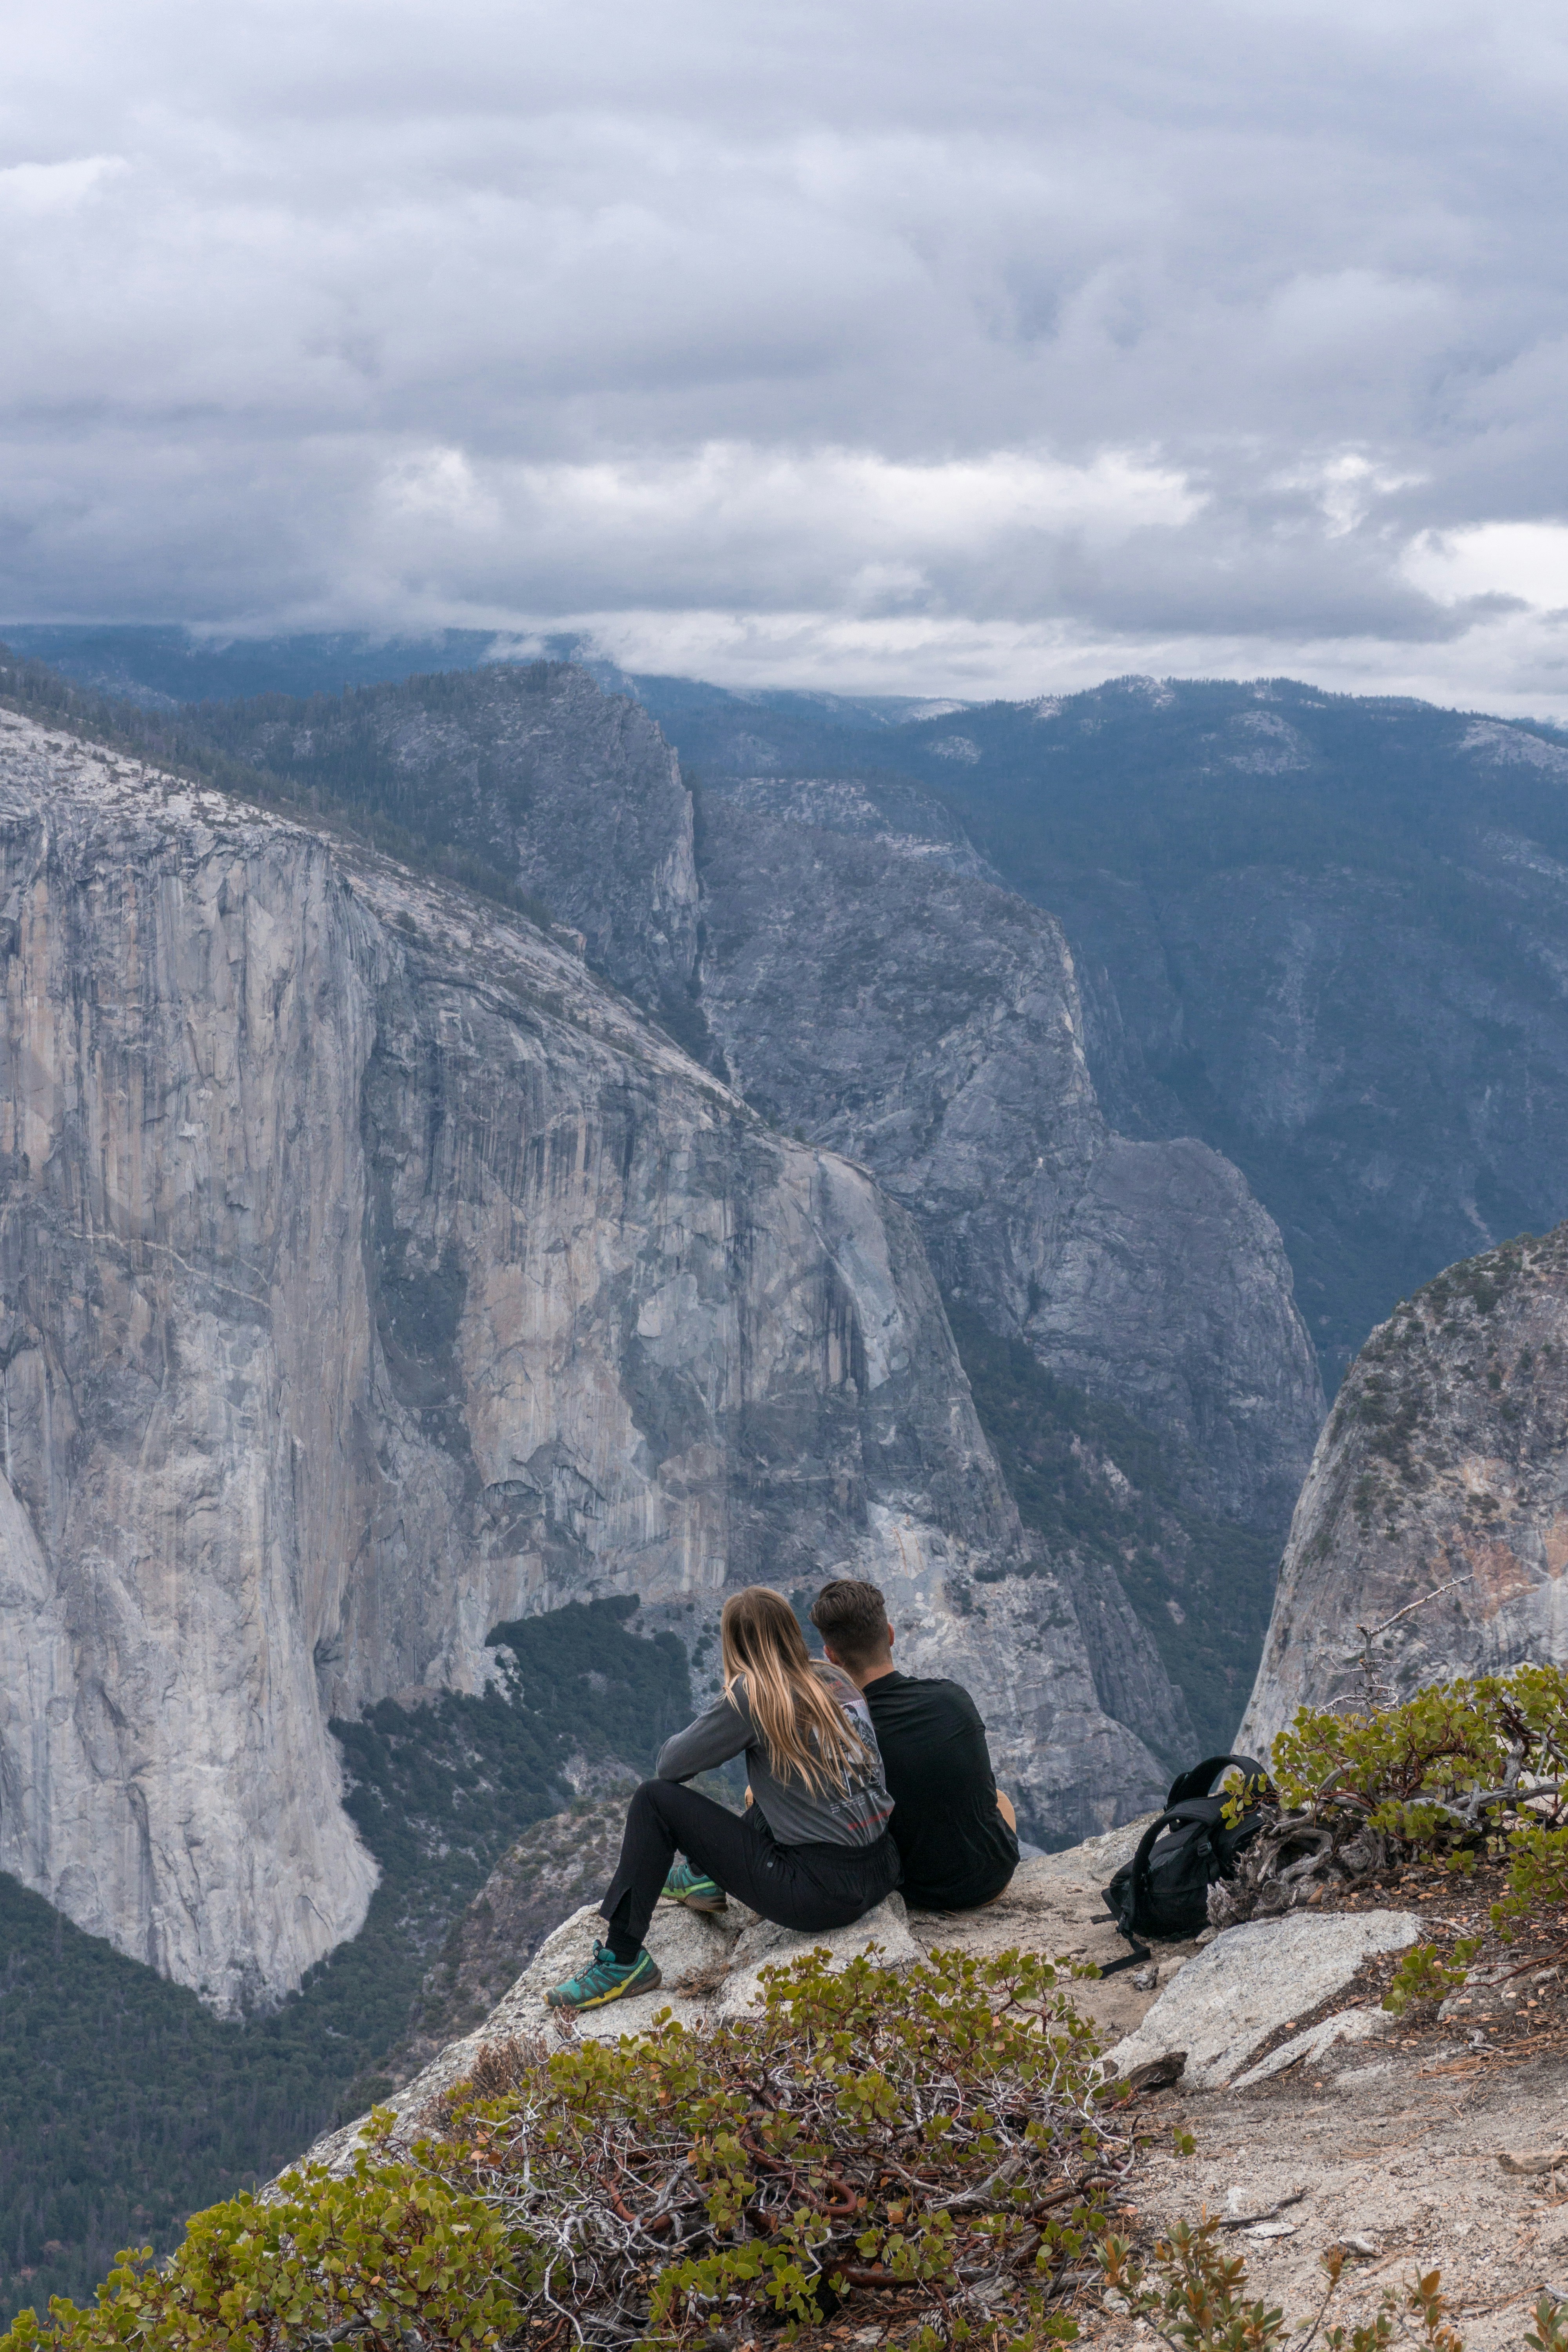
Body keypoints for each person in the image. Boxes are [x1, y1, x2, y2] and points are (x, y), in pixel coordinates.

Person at [545, 1584, 901, 2012]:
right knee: (777, 1785)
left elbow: (671, 1767)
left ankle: (622, 1960)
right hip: (882, 1867)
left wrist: (732, 1697)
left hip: (820, 1896)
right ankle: (703, 1877)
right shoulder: (835, 1678)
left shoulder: (756, 1695)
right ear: (791, 1631)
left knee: (653, 1800)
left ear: (734, 1642)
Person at [808, 1576, 1019, 1913]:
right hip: (995, 1877)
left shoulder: (844, 1733)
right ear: (890, 1635)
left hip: (923, 1895)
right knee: (1000, 1799)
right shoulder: (954, 1697)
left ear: (832, 1657)